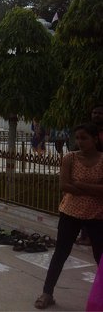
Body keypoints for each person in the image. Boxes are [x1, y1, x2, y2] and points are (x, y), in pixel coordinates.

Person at [34, 122, 103, 309]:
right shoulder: (70, 158)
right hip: (70, 212)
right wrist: (93, 190)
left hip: (97, 215)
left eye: (84, 138)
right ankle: (47, 293)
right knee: (60, 254)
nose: (80, 142)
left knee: (100, 257)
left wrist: (80, 185)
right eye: (78, 138)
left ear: (95, 138)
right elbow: (64, 185)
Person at [75, 104, 103, 246]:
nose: (96, 115)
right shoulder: (86, 129)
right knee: (83, 203)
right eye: (94, 112)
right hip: (86, 168)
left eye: (99, 113)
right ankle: (84, 235)